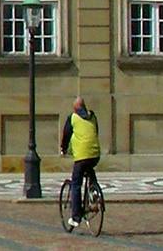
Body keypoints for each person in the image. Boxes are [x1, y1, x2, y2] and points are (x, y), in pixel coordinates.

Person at [59, 96, 101, 228]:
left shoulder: (72, 118)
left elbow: (66, 135)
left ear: (75, 108)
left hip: (82, 155)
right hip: (95, 153)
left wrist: (63, 149)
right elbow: (95, 132)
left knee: (76, 184)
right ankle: (94, 192)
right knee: (89, 168)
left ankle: (76, 217)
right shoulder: (93, 116)